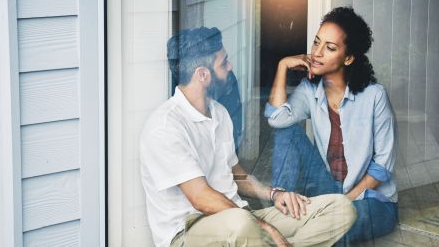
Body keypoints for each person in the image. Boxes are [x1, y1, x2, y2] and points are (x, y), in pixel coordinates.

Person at [141, 26, 356, 247]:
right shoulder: (165, 127)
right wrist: (266, 227)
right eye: (224, 63)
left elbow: (236, 175)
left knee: (340, 209)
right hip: (190, 232)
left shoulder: (218, 112)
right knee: (243, 224)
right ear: (203, 75)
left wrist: (274, 194)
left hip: (240, 216)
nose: (230, 66)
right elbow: (201, 198)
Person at [265, 7, 398, 244]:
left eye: (330, 47)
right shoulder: (310, 91)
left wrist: (344, 201)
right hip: (328, 189)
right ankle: (283, 204)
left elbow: (382, 166)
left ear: (348, 58)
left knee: (337, 228)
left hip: (370, 201)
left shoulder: (374, 96)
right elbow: (277, 119)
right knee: (287, 131)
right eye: (316, 43)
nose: (316, 53)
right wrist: (283, 66)